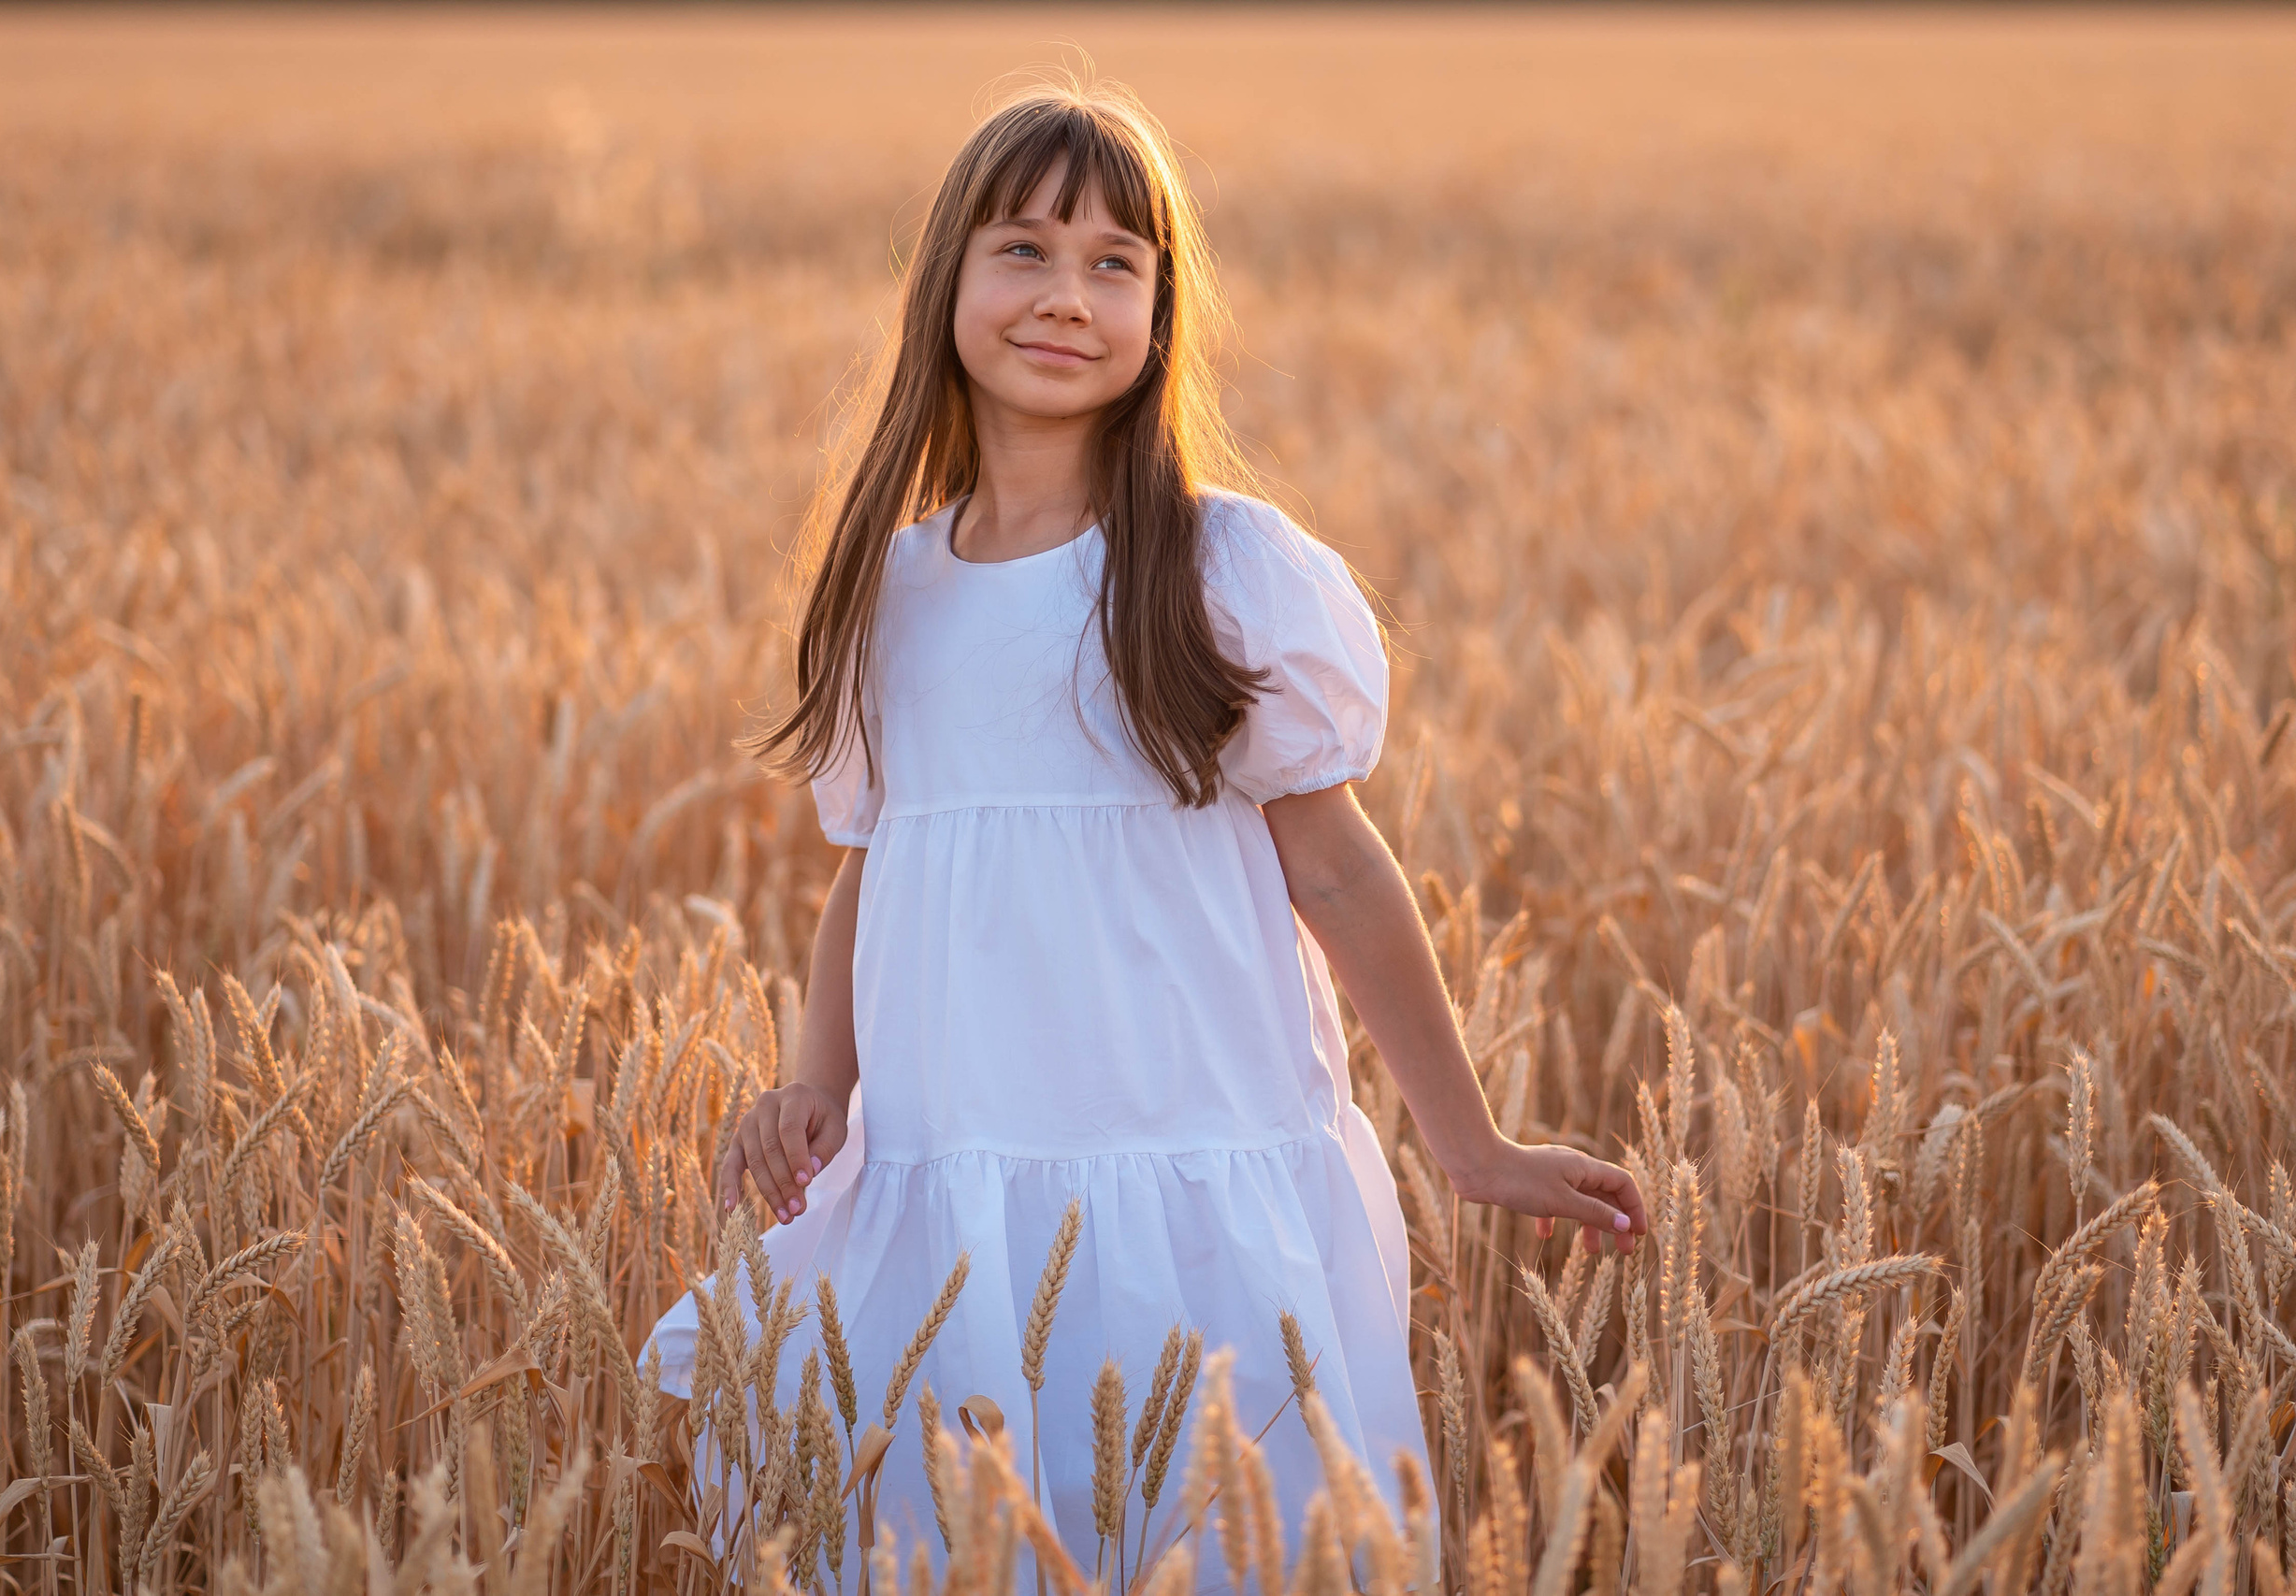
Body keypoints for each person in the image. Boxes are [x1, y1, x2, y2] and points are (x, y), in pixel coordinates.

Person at [641, 71, 1647, 1595]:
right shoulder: (892, 590)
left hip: (1191, 1178)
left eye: (1116, 263)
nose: (1069, 294)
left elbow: (1335, 865)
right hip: (960, 1185)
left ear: (1163, 317)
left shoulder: (1220, 570)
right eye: (1025, 250)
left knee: (1224, 1537)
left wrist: (1469, 1140)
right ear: (945, 282)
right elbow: (879, 863)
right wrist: (815, 1086)